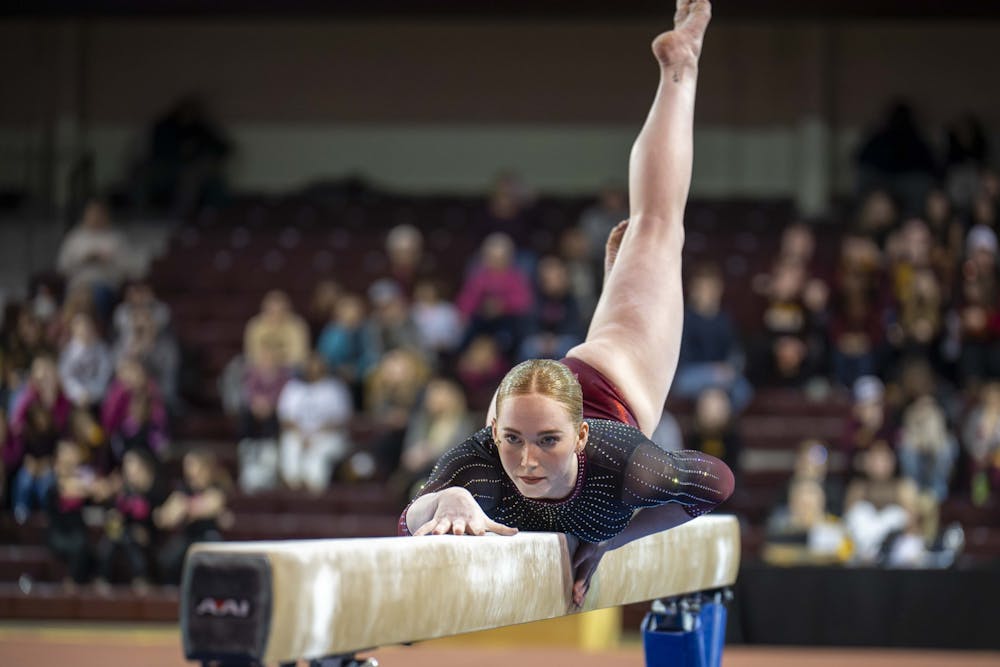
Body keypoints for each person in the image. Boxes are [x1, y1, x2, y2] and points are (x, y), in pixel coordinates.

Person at [400, 0, 733, 608]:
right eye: (512, 439)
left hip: (620, 370)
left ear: (580, 437)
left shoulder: (623, 461)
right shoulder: (486, 458)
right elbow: (410, 519)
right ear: (494, 430)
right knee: (646, 244)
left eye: (548, 442)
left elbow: (714, 482)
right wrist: (441, 500)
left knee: (659, 225)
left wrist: (614, 540)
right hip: (550, 388)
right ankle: (618, 283)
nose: (526, 462)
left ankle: (680, 68)